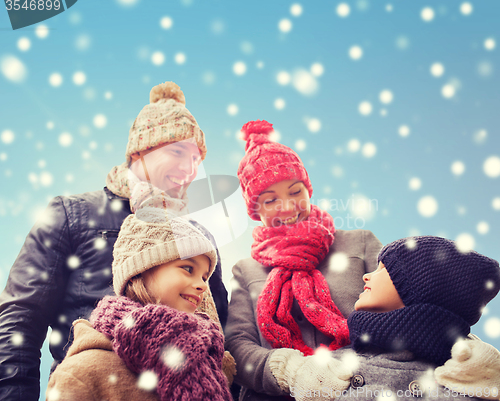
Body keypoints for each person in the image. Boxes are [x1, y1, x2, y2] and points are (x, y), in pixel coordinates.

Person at [0, 81, 228, 401]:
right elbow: (19, 320)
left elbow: (223, 334)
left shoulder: (199, 238)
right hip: (94, 387)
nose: (189, 168)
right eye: (177, 151)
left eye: (195, 158)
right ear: (140, 151)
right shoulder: (72, 214)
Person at [225, 120, 383, 400]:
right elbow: (237, 345)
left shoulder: (360, 242)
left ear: (308, 190)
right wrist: (291, 372)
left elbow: (405, 305)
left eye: (295, 192)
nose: (286, 207)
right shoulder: (246, 270)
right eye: (270, 200)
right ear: (255, 209)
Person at [271, 236, 500, 400]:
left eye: (383, 269)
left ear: (422, 287)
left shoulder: (465, 379)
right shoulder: (333, 369)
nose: (367, 275)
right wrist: (295, 372)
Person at [46, 206, 234, 401]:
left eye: (204, 277)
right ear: (141, 270)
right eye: (188, 268)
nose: (202, 286)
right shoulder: (82, 372)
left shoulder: (208, 360)